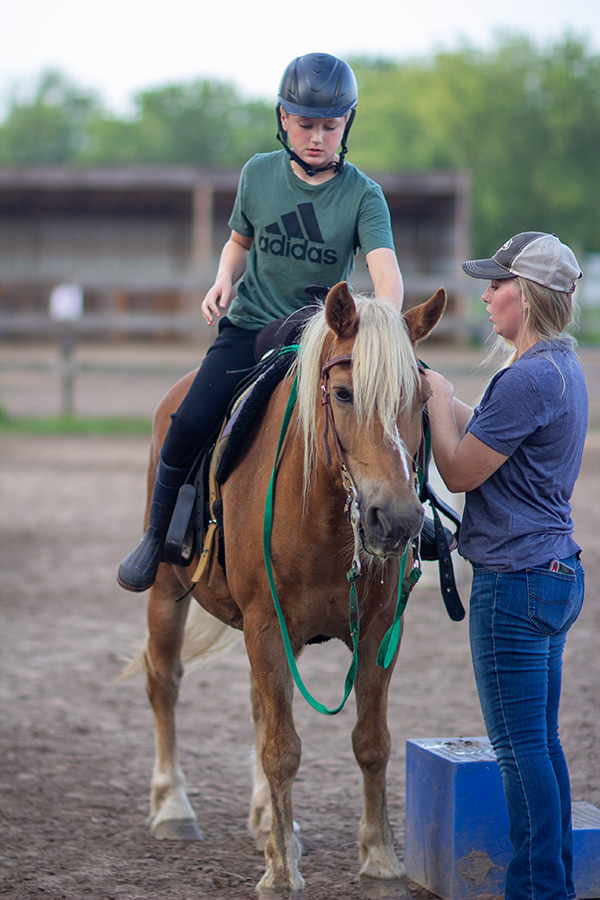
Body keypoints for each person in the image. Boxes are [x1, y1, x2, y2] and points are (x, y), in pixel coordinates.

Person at [117, 52, 404, 592]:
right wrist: (223, 278)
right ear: (282, 118)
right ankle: (156, 537)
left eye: (330, 125)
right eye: (305, 124)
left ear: (348, 123)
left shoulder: (365, 196)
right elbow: (237, 243)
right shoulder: (257, 174)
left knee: (406, 399)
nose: (317, 137)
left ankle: (418, 518)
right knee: (187, 422)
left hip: (315, 336)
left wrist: (382, 327)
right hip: (248, 328)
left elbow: (386, 275)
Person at [425, 231, 587, 900]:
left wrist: (435, 401)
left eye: (498, 283)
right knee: (541, 747)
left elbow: (461, 469)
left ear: (529, 295)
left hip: (513, 584)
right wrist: (454, 402)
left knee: (519, 754)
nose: (486, 293)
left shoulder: (523, 377)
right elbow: (495, 433)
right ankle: (554, 881)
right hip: (552, 573)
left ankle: (535, 891)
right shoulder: (560, 368)